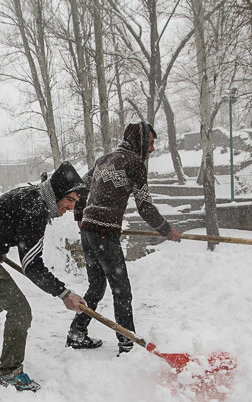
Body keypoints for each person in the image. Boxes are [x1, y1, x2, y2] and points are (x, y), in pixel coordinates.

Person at [0, 161, 88, 392]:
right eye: (69, 200)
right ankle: (10, 372)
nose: (70, 208)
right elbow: (32, 266)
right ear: (57, 193)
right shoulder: (35, 208)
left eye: (75, 202)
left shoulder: (32, 196)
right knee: (19, 310)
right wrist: (64, 293)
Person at [68, 121, 182, 355]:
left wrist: (80, 216)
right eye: (150, 143)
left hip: (89, 232)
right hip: (104, 234)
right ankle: (128, 344)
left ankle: (76, 332)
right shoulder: (135, 164)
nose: (151, 149)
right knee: (121, 290)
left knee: (97, 286)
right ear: (140, 141)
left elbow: (80, 187)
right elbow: (145, 206)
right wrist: (166, 229)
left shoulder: (104, 159)